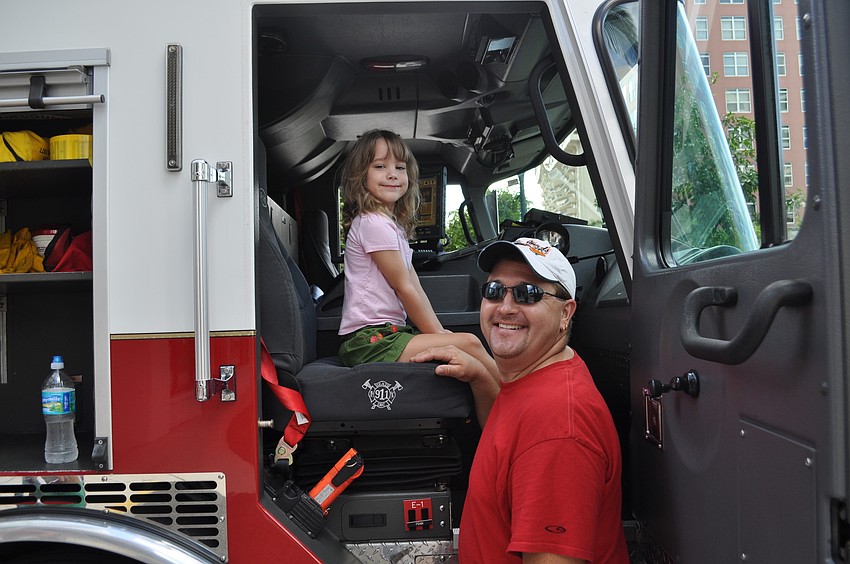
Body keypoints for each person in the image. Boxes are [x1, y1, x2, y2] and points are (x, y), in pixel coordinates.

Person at [411, 237, 629, 563]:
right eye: (494, 291)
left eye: (529, 294)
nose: (506, 307)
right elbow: (509, 447)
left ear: (565, 314)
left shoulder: (556, 427)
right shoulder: (534, 379)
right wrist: (482, 377)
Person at [337, 129, 500, 420]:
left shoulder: (391, 226)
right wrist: (440, 336)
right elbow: (404, 288)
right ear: (360, 175)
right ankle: (514, 409)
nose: (392, 174)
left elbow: (415, 285)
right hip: (370, 341)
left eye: (400, 168)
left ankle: (503, 416)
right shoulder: (373, 223)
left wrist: (441, 334)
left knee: (465, 344)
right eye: (380, 166)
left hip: (387, 334)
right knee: (470, 343)